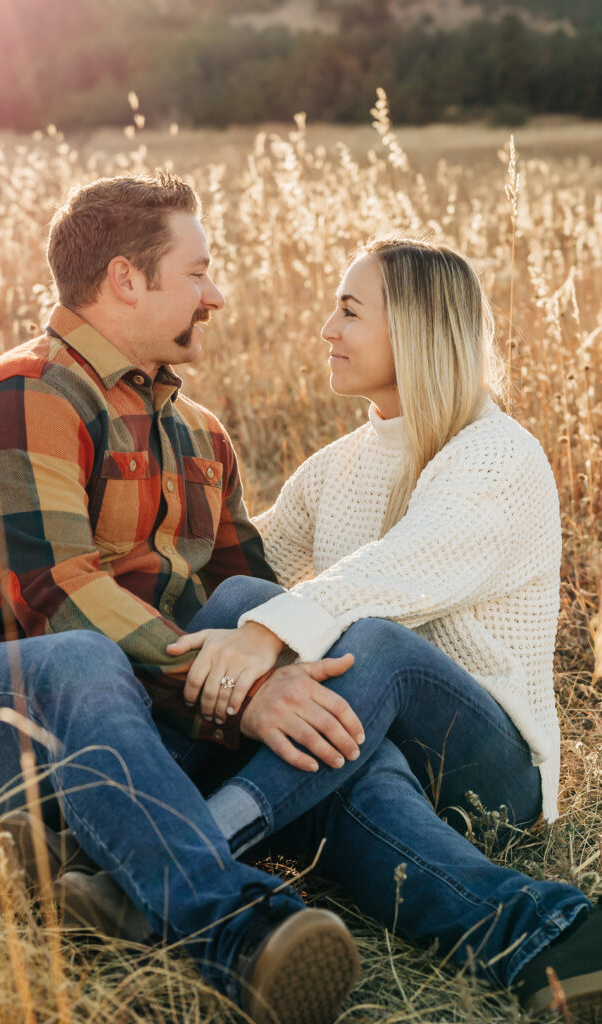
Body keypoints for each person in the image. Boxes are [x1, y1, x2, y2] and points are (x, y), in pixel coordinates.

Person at [0, 172, 363, 1024]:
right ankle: (230, 929)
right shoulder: (21, 394)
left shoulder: (201, 434)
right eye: (197, 273)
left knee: (249, 612)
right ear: (126, 278)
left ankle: (504, 920)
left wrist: (278, 667)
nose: (218, 296)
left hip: (133, 724)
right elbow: (59, 593)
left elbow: (252, 598)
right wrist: (242, 690)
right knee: (84, 653)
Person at [166, 237, 602, 1020]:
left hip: (490, 764)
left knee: (375, 646)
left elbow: (389, 575)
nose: (325, 329)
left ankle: (181, 855)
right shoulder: (341, 462)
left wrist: (269, 640)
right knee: (241, 596)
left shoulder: (496, 457)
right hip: (369, 733)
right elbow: (248, 563)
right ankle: (547, 940)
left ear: (415, 329)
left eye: (348, 310)